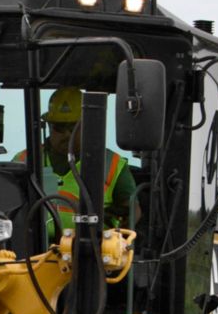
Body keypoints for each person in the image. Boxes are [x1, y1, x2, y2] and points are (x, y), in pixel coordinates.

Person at [26, 85, 138, 231]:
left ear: (87, 125)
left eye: (73, 127)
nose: (66, 135)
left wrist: (119, 237)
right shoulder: (25, 160)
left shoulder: (113, 164)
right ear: (48, 126)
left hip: (94, 250)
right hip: (33, 249)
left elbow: (133, 211)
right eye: (59, 127)